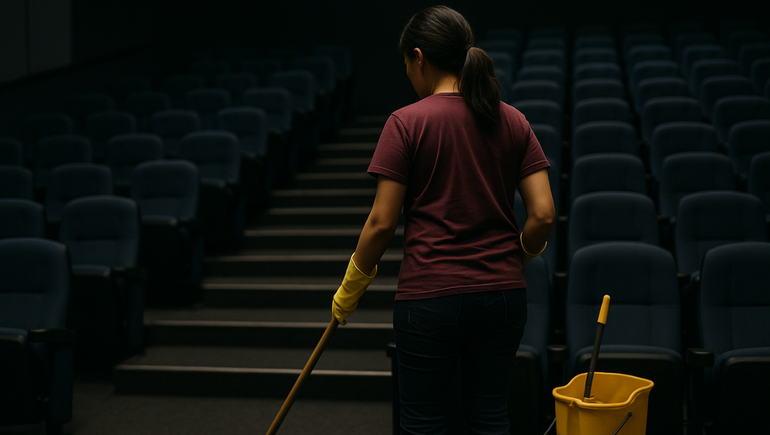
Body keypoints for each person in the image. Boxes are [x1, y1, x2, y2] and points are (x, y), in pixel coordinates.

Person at [332, 5, 555, 434]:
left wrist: (350, 290)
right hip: (504, 294)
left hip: (430, 295)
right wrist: (517, 255)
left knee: (423, 423)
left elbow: (381, 223)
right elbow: (543, 214)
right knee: (491, 417)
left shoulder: (406, 122)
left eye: (406, 65)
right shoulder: (513, 120)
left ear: (419, 57)